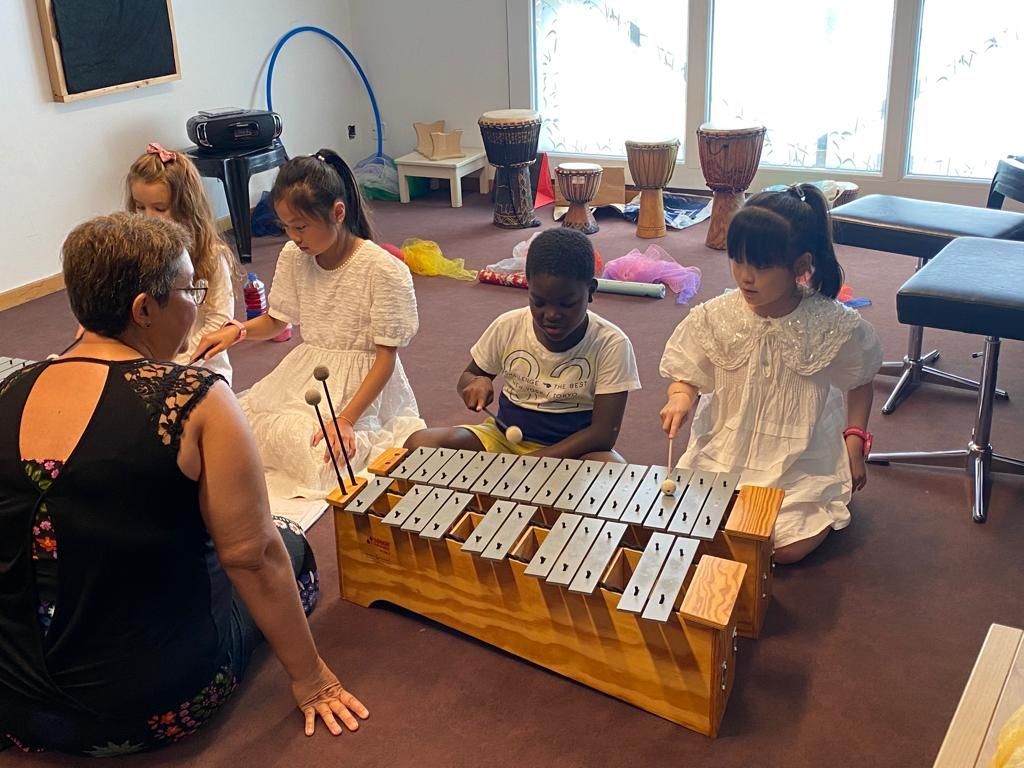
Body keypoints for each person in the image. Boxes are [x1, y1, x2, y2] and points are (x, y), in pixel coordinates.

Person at [0, 213, 366, 757]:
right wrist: (313, 677)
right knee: (287, 545)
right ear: (144, 310)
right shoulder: (196, 396)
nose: (195, 304)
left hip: (13, 701)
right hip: (148, 709)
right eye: (187, 289)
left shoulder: (9, 387)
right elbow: (252, 555)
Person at [659, 184, 882, 564]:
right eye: (738, 262)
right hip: (725, 450)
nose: (746, 277)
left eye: (761, 267)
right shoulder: (716, 316)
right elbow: (689, 370)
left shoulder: (831, 324)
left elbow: (860, 380)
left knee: (784, 548)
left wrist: (855, 441)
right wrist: (680, 396)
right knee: (694, 527)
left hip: (799, 456)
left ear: (800, 266)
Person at [194, 149, 424, 498]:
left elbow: (385, 358)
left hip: (362, 387)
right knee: (239, 428)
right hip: (307, 373)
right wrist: (237, 330)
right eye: (286, 228)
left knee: (323, 458)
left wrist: (346, 420)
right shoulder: (294, 257)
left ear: (338, 212)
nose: (294, 238)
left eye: (300, 227)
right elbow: (276, 321)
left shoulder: (384, 269)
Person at [406, 228, 640, 460]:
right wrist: (477, 382)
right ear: (528, 287)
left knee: (612, 470)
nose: (551, 314)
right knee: (421, 443)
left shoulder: (611, 344)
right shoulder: (508, 326)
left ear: (590, 291)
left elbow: (603, 434)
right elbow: (469, 376)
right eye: (538, 301)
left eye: (566, 304)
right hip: (503, 440)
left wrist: (533, 462)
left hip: (574, 451)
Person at [125, 142, 241, 385]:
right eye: (139, 207)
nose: (147, 217)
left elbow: (218, 321)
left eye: (159, 208)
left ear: (185, 208)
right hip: (149, 365)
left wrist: (174, 364)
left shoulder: (210, 255)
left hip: (200, 366)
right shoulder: (133, 254)